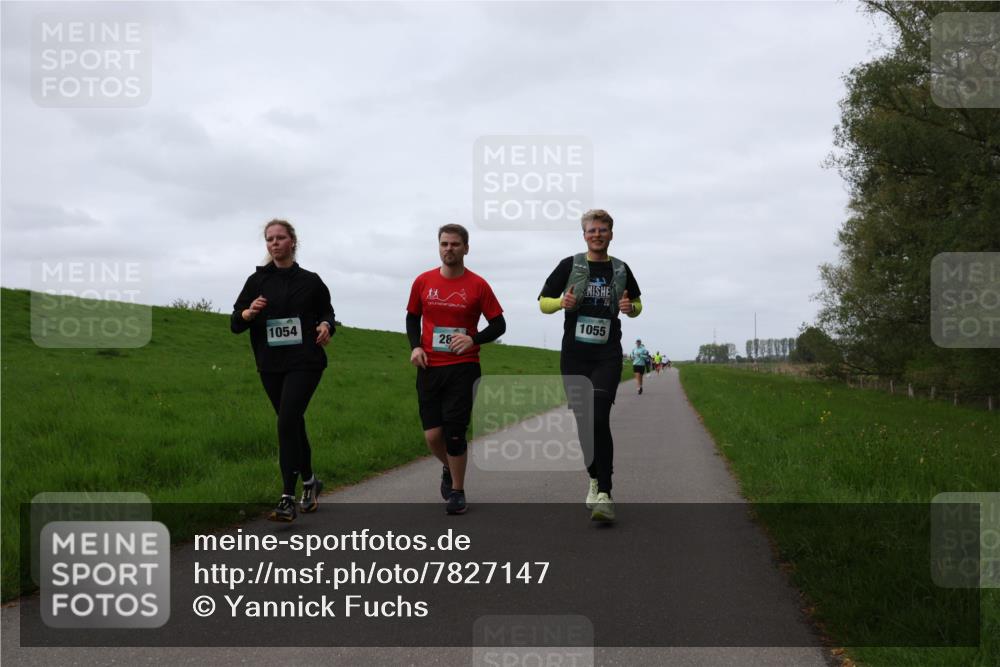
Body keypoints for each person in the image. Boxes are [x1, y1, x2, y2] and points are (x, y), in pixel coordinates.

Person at [539, 209, 642, 522]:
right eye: (591, 230)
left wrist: (630, 308)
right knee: (586, 423)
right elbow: (543, 301)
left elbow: (636, 303)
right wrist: (561, 303)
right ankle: (594, 478)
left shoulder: (621, 268)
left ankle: (606, 494)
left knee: (598, 416)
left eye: (603, 230)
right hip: (574, 355)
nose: (597, 235)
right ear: (584, 234)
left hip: (607, 355)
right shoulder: (570, 265)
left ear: (611, 233)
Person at [231, 219, 335, 522]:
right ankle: (310, 481)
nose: (274, 243)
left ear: (293, 242)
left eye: (280, 238)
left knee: (286, 420)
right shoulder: (257, 281)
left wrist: (326, 325)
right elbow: (236, 322)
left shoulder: (311, 281)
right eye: (269, 239)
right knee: (291, 422)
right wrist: (249, 312)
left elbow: (327, 311)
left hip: (305, 361)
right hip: (270, 363)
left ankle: (287, 497)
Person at [407, 224, 506, 515]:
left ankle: (457, 491)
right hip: (429, 367)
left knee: (454, 432)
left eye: (455, 244)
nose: (449, 249)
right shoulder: (423, 281)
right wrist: (415, 346)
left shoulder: (478, 285)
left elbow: (499, 324)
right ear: (439, 247)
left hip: (464, 368)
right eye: (444, 244)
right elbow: (412, 317)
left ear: (466, 248)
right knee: (432, 436)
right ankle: (449, 469)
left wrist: (473, 339)